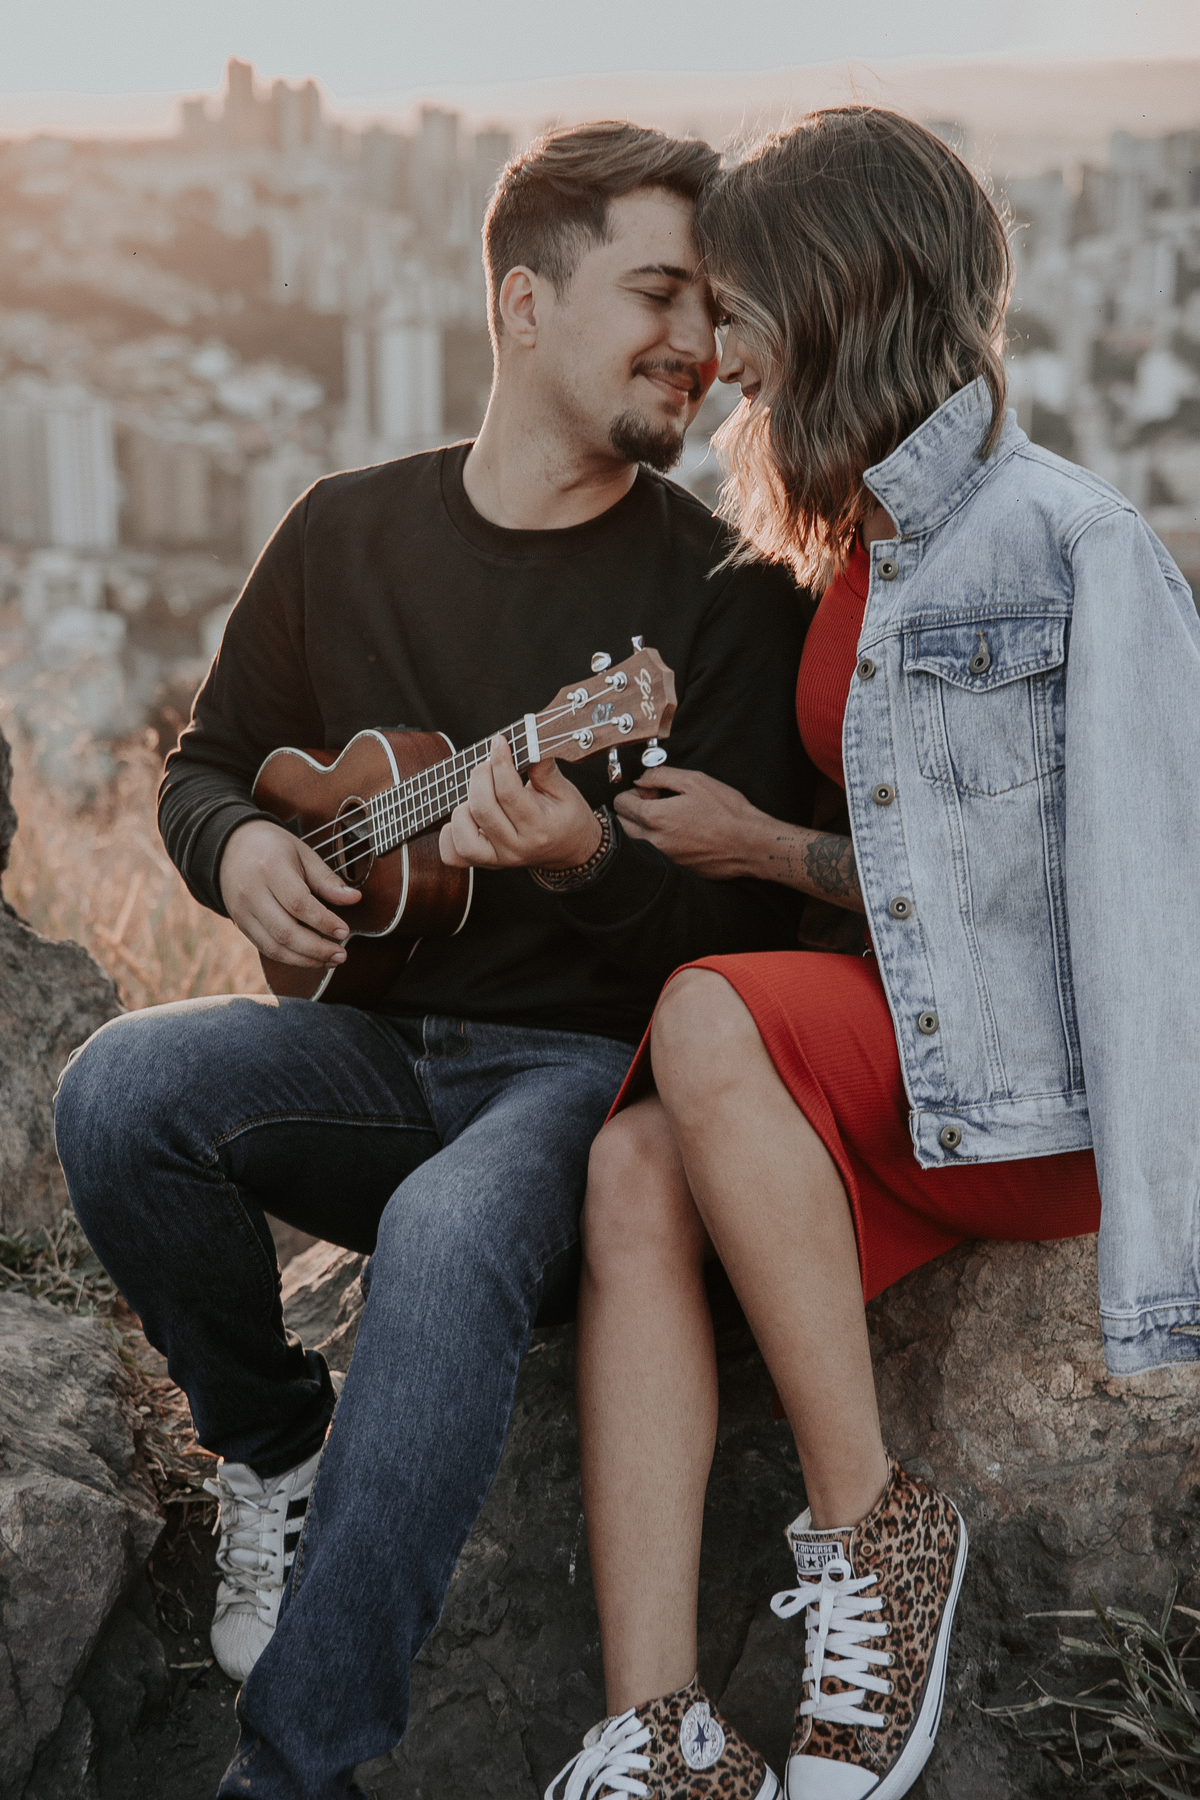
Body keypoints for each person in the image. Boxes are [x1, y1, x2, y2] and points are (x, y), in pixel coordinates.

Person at [52, 123, 821, 1800]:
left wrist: (595, 861)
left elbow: (768, 942)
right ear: (523, 302)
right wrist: (240, 851)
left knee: (448, 1230)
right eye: (657, 292)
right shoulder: (341, 531)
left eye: (712, 304)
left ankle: (293, 1771)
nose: (698, 342)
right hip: (376, 1057)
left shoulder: (720, 593)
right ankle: (275, 1448)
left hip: (587, 1090)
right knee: (118, 1090)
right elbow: (210, 760)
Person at [546, 108, 1200, 1800]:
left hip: (1027, 1108)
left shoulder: (1075, 545)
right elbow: (927, 877)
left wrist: (1170, 1272)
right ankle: (662, 1730)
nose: (715, 349)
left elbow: (1136, 898)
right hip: (913, 1070)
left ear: (832, 293)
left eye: (737, 304)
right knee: (630, 1169)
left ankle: (876, 1537)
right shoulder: (857, 543)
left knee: (702, 1019)